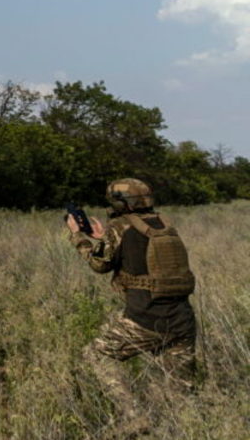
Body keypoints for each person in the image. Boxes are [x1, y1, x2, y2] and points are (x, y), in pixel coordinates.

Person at [66, 178, 197, 430]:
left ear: (119, 202)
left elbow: (99, 264)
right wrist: (104, 237)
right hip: (182, 319)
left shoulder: (120, 225)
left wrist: (78, 238)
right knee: (181, 398)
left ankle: (133, 415)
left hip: (145, 318)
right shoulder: (165, 225)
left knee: (96, 355)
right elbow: (139, 253)